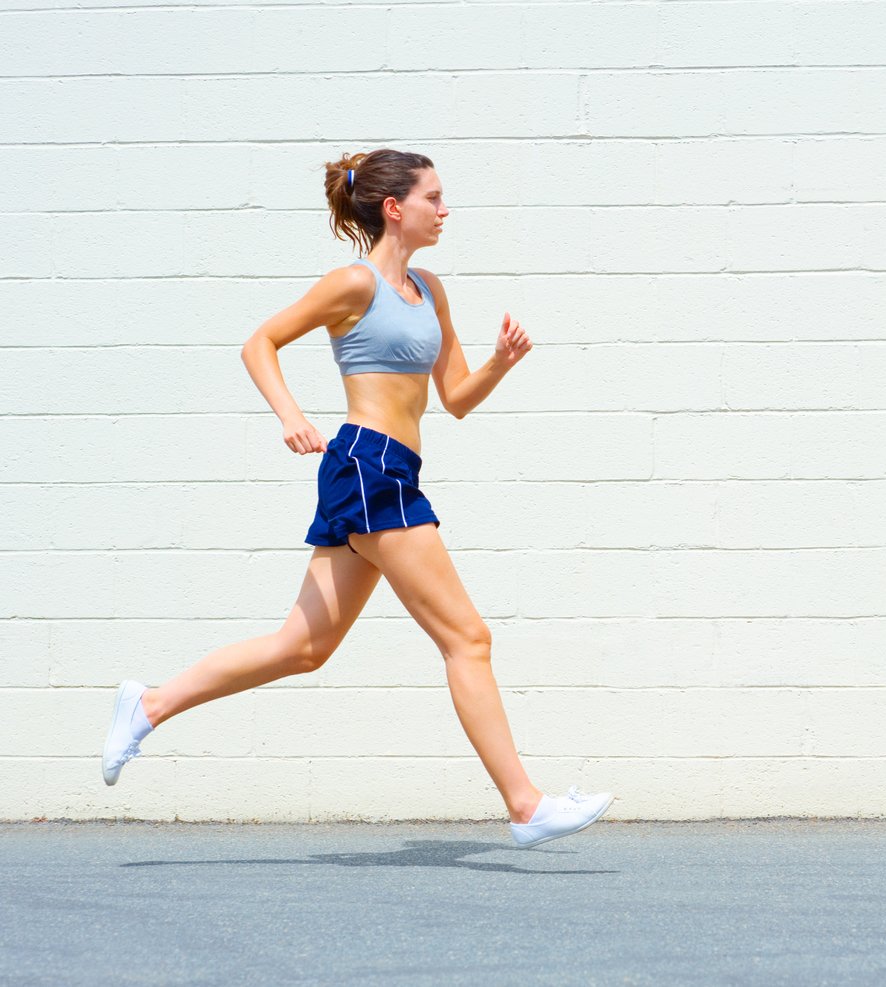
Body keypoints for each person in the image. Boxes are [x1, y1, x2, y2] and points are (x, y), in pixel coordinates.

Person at [100, 148, 613, 849]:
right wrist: (290, 415)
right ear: (395, 208)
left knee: (302, 647)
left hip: (388, 469)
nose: (445, 209)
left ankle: (150, 703)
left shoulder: (430, 289)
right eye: (433, 197)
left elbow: (454, 398)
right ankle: (525, 805)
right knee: (468, 637)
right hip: (370, 468)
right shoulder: (354, 284)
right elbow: (261, 343)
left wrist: (498, 361)